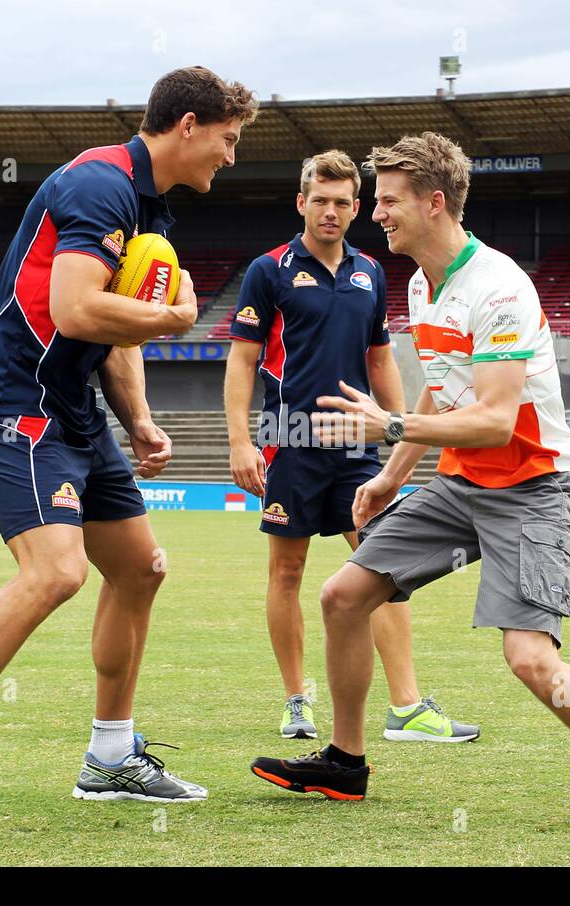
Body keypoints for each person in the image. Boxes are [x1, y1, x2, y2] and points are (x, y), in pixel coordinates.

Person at [252, 132, 570, 830]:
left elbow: (493, 421)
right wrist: (392, 476)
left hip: (536, 484)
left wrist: (388, 431)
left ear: (434, 202)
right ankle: (345, 761)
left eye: (388, 201)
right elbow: (441, 393)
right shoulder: (423, 284)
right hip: (463, 481)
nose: (376, 214)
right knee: (343, 596)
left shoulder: (500, 288)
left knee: (528, 657)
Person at [0, 67, 258, 840]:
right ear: (188, 125)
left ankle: (110, 757)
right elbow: (76, 308)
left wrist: (140, 418)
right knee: (55, 572)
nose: (231, 156)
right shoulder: (98, 184)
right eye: (228, 138)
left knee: (140, 567)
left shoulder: (149, 209)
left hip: (73, 413)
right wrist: (173, 318)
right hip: (14, 405)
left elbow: (109, 334)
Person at [225, 150, 479, 744]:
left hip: (358, 443)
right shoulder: (270, 270)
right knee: (286, 571)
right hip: (287, 440)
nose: (332, 212)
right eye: (321, 201)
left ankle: (408, 708)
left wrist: (397, 429)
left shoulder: (371, 271)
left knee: (384, 564)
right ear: (302, 203)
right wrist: (240, 440)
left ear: (356, 207)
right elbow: (242, 358)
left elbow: (380, 357)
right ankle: (296, 699)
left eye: (343, 202)